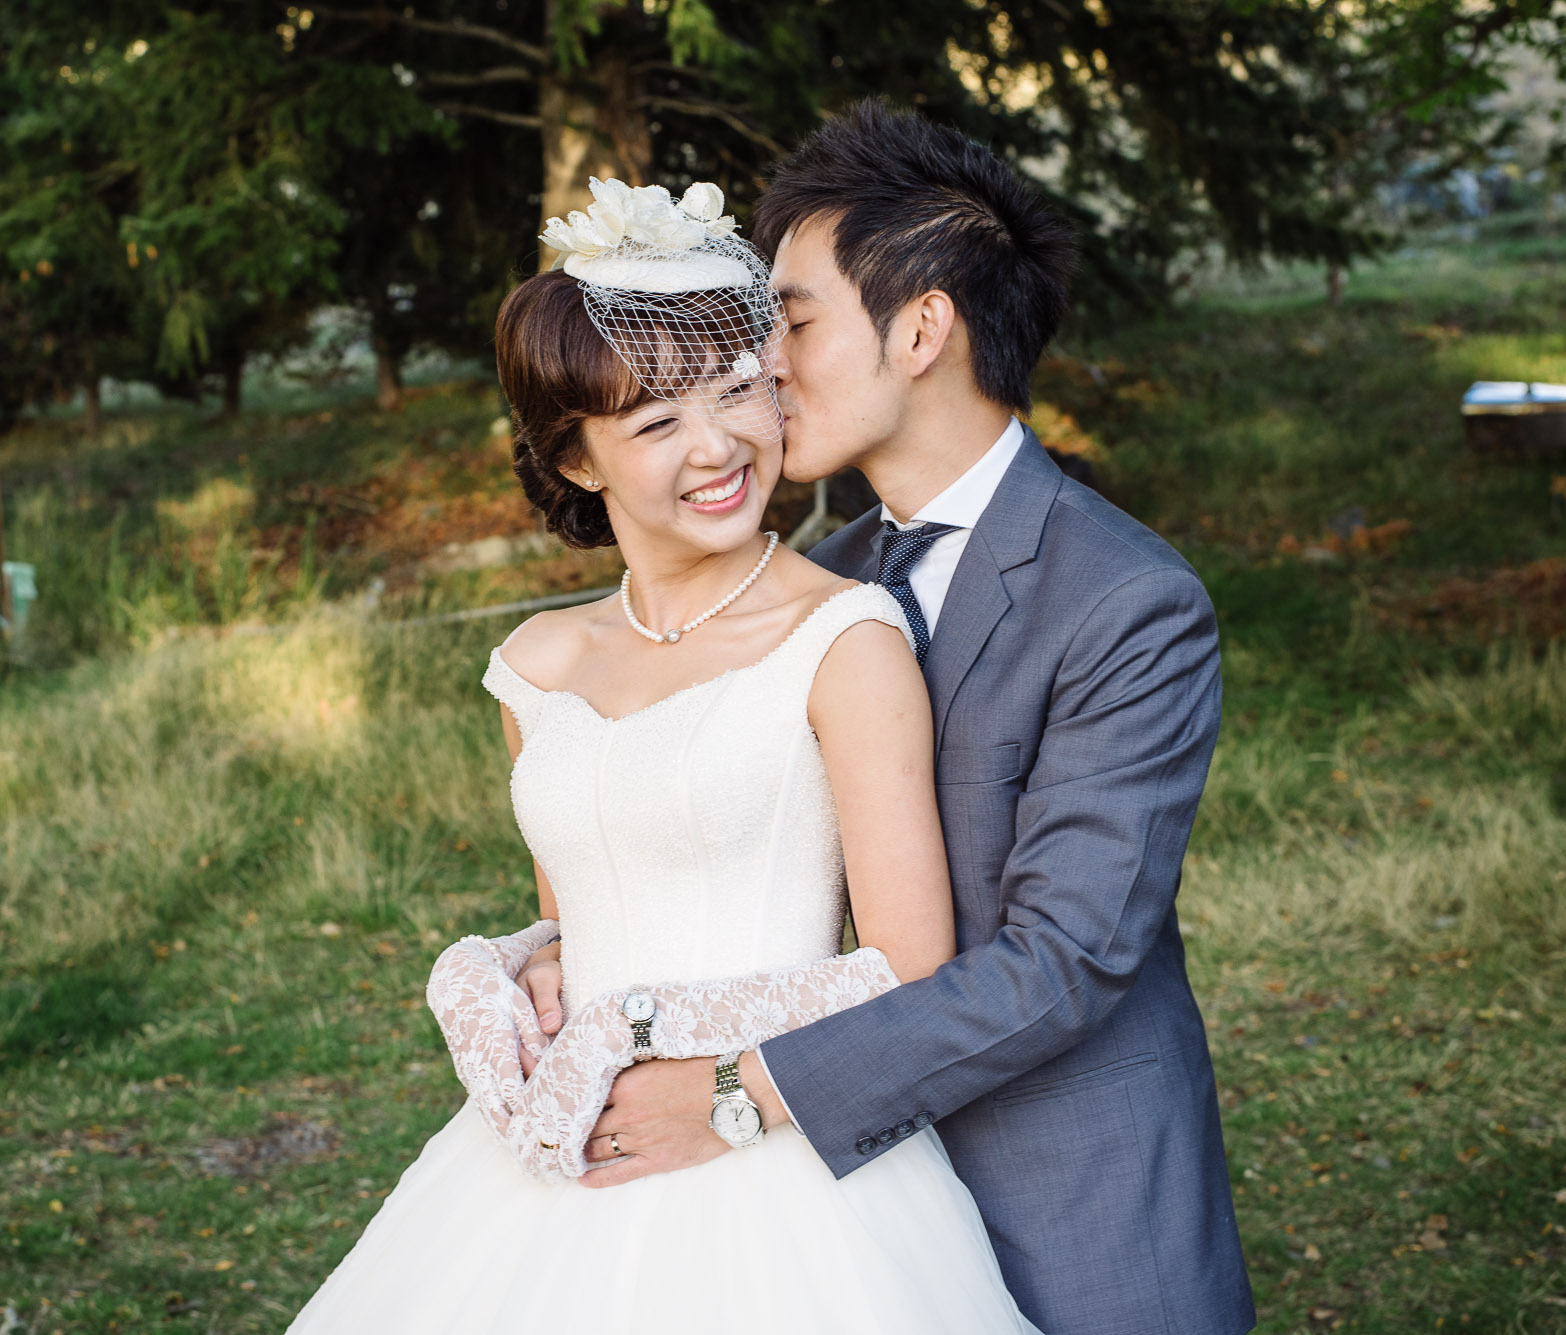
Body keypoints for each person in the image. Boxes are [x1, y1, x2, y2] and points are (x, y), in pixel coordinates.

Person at [515, 104, 1257, 1335]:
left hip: (1056, 1188)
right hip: (812, 1214)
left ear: (920, 327)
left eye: (790, 321)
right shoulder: (812, 584)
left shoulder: (1125, 601)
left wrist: (734, 1096)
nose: (758, 366)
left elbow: (1064, 961)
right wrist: (571, 955)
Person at [282, 178, 1042, 1332]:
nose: (718, 444)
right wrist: (497, 971)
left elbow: (901, 966)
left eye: (738, 389)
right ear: (576, 460)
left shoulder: (842, 639)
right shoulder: (534, 668)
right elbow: (572, 919)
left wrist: (637, 1027)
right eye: (655, 423)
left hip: (774, 1171)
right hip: (556, 1155)